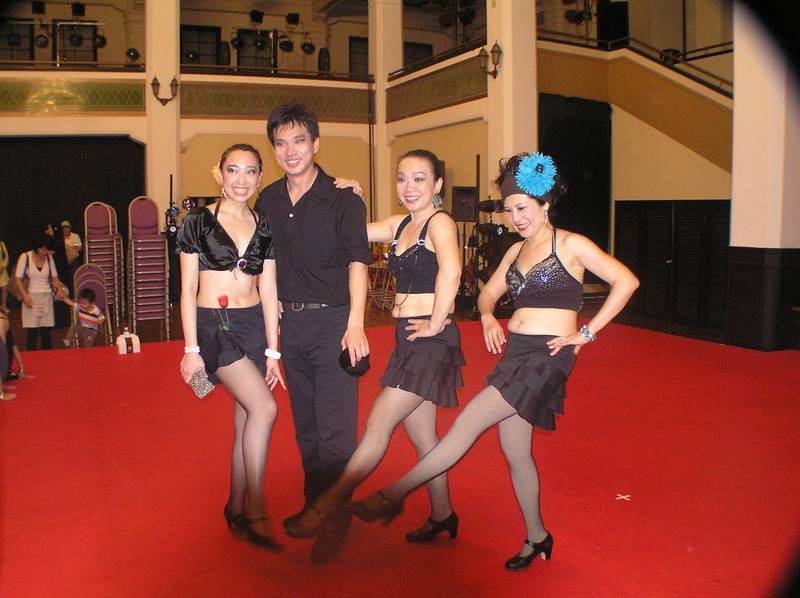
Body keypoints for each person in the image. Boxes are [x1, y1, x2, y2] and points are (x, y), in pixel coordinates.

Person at [347, 152, 640, 571]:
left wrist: (588, 332)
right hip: (517, 353)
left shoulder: (571, 245)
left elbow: (626, 281)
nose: (516, 218)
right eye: (509, 210)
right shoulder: (516, 251)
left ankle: (391, 495)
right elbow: (487, 294)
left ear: (544, 204)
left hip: (547, 356)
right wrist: (487, 315)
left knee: (467, 424)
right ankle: (538, 537)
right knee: (516, 452)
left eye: (522, 208)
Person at [284, 149, 465, 548]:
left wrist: (437, 322)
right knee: (424, 438)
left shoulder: (440, 222)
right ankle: (443, 514)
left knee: (378, 425)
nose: (409, 187)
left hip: (431, 341)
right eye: (402, 178)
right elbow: (350, 232)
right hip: (407, 339)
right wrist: (354, 198)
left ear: (438, 184)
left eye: (419, 178)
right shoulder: (400, 224)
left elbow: (452, 271)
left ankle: (326, 505)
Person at [255, 102, 372, 564]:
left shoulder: (344, 198)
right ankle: (315, 504)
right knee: (306, 428)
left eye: (299, 140)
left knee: (335, 431)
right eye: (281, 143)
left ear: (316, 144)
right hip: (292, 326)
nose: (290, 151)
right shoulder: (268, 200)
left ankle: (334, 517)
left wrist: (356, 324)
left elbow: (358, 262)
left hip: (335, 323)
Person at [177, 143, 285, 552]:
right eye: (233, 170)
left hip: (253, 325)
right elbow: (187, 289)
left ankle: (235, 506)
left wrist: (273, 352)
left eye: (251, 171)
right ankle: (256, 509)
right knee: (265, 409)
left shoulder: (264, 224)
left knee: (246, 418)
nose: (242, 179)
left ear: (260, 177)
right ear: (218, 174)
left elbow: (269, 290)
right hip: (214, 326)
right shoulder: (197, 222)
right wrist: (190, 349)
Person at [14, 235, 66, 350]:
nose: (45, 252)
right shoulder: (25, 257)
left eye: (47, 250)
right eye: (43, 249)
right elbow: (17, 279)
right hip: (30, 298)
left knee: (46, 333)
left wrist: (60, 289)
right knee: (32, 334)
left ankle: (47, 359)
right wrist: (24, 296)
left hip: (46, 298)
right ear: (36, 248)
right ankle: (31, 358)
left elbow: (55, 277)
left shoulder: (49, 258)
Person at [61, 220, 83, 289]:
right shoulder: (60, 238)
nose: (65, 229)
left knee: (73, 277)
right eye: (64, 228)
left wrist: (72, 246)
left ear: (70, 228)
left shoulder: (75, 236)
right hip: (64, 261)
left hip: (74, 261)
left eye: (67, 228)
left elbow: (79, 247)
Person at [0, 239, 9, 312]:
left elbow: (6, 255)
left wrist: (3, 266)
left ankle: (3, 305)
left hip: (1, 269)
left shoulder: (1, 243)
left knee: (4, 289)